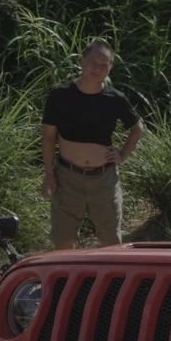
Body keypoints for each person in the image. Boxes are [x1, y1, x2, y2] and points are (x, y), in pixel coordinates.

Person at [41, 39, 145, 249]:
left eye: (103, 65)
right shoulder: (60, 95)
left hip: (104, 179)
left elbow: (137, 128)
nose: (97, 69)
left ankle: (110, 272)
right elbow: (49, 138)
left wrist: (122, 155)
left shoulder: (115, 99)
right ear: (82, 61)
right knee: (63, 240)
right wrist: (49, 175)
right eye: (93, 62)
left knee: (110, 241)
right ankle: (66, 271)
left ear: (110, 68)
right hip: (67, 177)